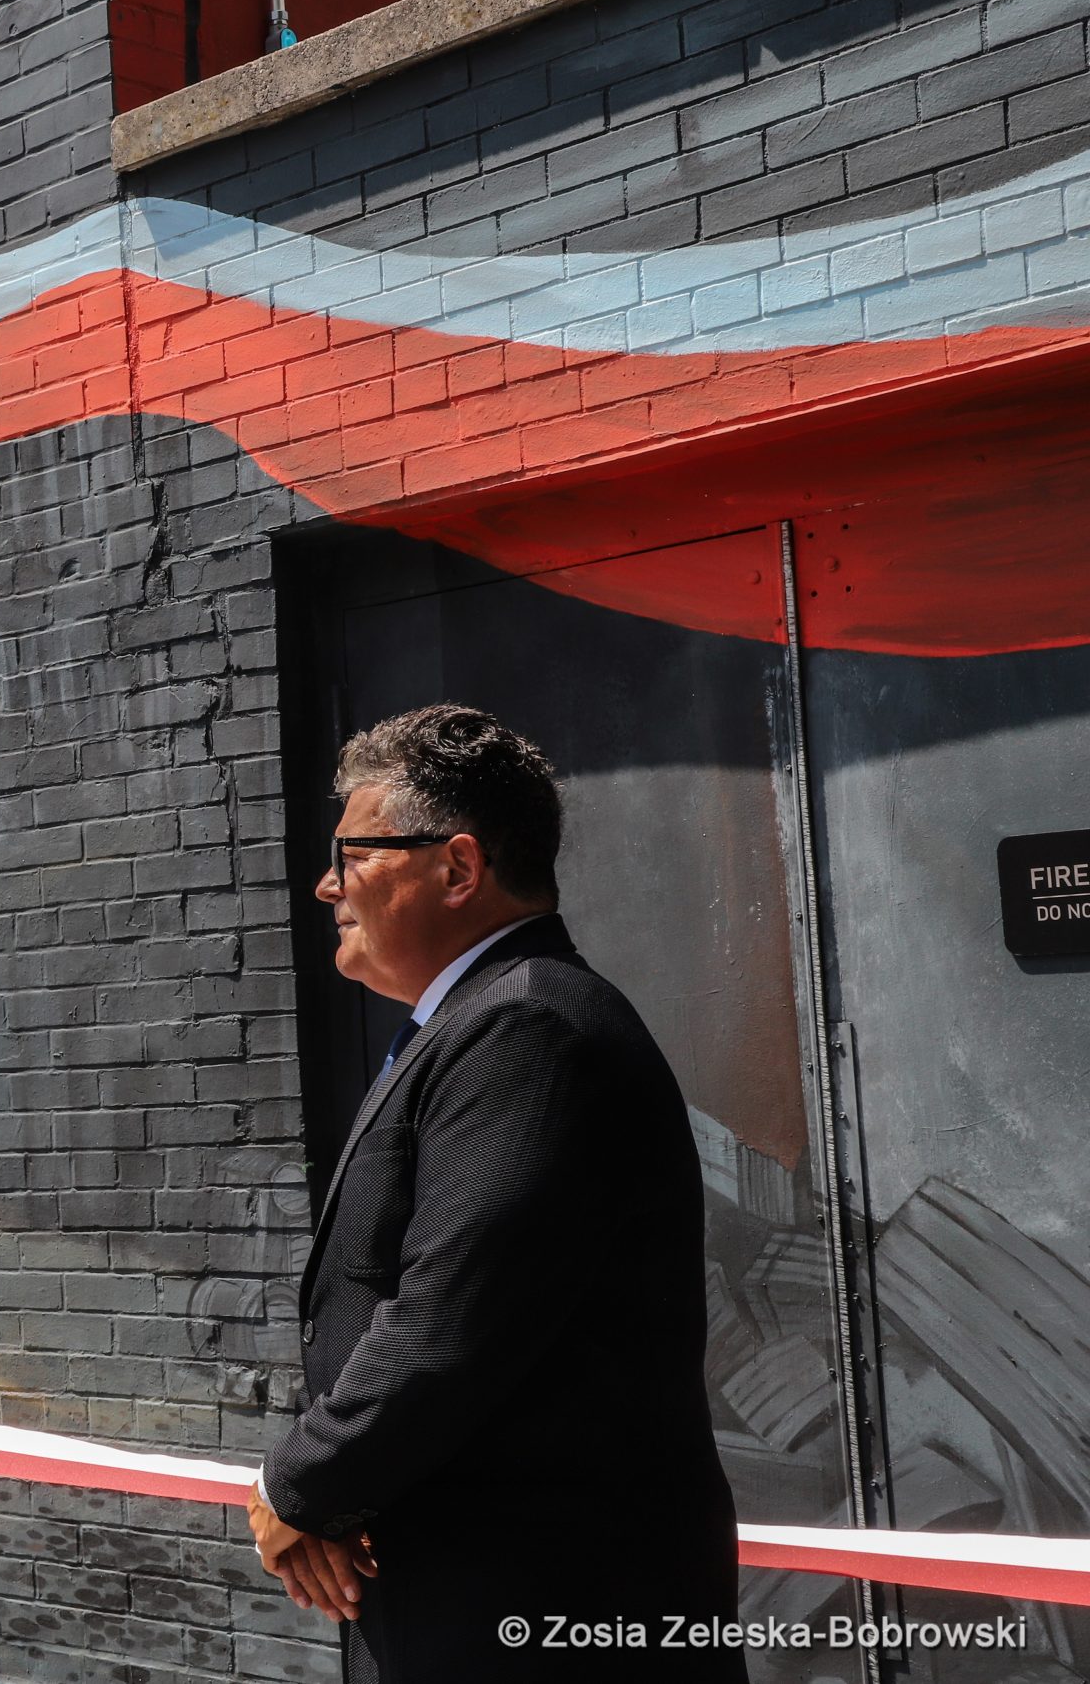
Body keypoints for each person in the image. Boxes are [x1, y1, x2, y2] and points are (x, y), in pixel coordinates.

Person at [251, 705, 742, 1683]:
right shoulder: (488, 1021)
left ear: (457, 868)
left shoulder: (528, 1028)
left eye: (352, 856)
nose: (326, 884)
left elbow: (449, 1317)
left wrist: (298, 1485)